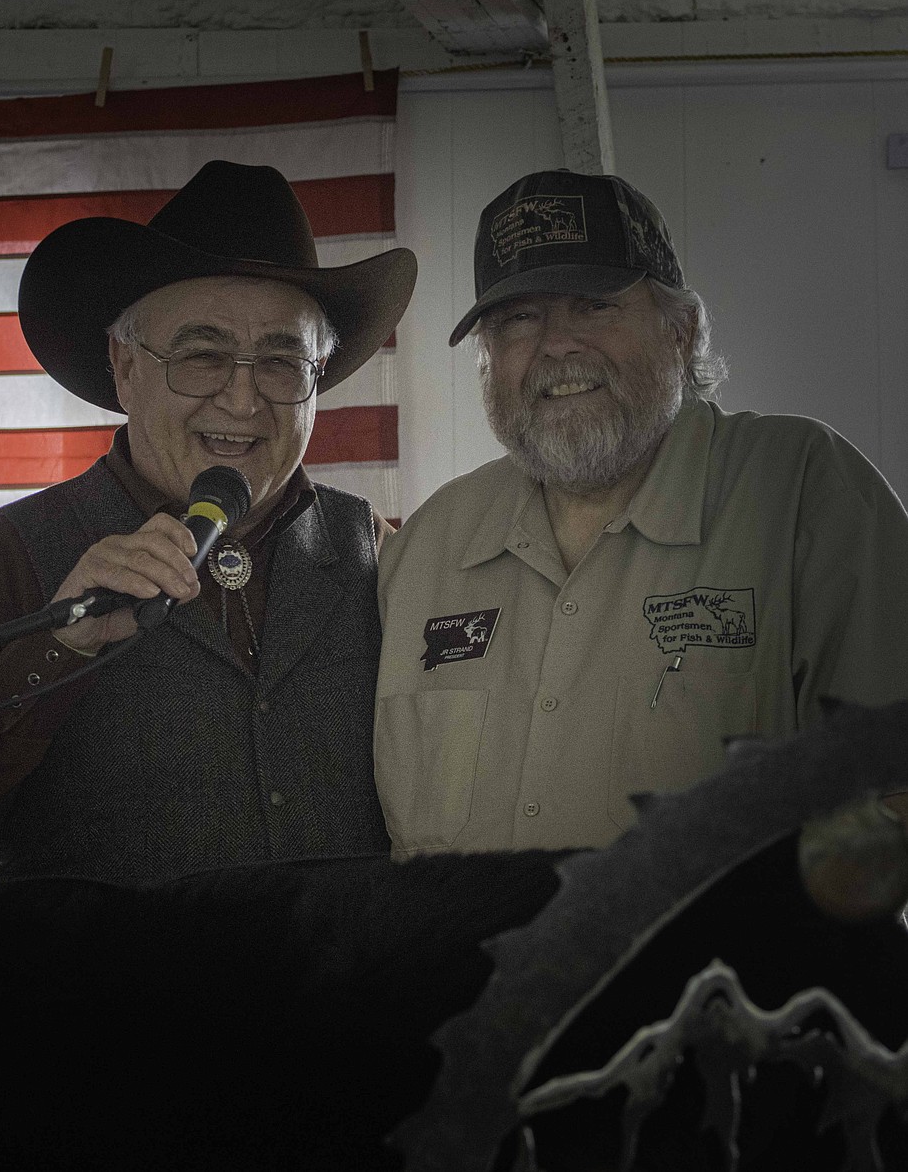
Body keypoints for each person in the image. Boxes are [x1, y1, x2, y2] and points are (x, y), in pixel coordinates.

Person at [0, 160, 417, 894]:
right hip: (106, 1005)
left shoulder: (381, 555)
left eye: (281, 362)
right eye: (201, 357)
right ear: (124, 366)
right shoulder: (10, 560)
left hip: (346, 1006)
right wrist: (53, 648)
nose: (242, 400)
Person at [374, 168, 908, 856]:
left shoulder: (803, 489)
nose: (557, 343)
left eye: (593, 305)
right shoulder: (425, 548)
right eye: (519, 319)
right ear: (488, 359)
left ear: (681, 331)